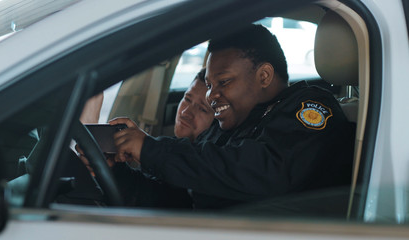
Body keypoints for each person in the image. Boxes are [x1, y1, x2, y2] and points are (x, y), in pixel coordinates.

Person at [110, 24, 355, 209]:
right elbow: (186, 196)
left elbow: (265, 173)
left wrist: (152, 149)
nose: (211, 95)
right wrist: (118, 176)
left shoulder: (310, 107)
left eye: (223, 82)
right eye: (209, 84)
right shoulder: (231, 123)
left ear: (264, 76)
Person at [79, 68, 215, 208]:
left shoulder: (205, 175)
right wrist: (114, 168)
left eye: (203, 109)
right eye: (187, 99)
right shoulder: (169, 152)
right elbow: (149, 191)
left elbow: (164, 201)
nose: (186, 112)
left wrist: (146, 147)